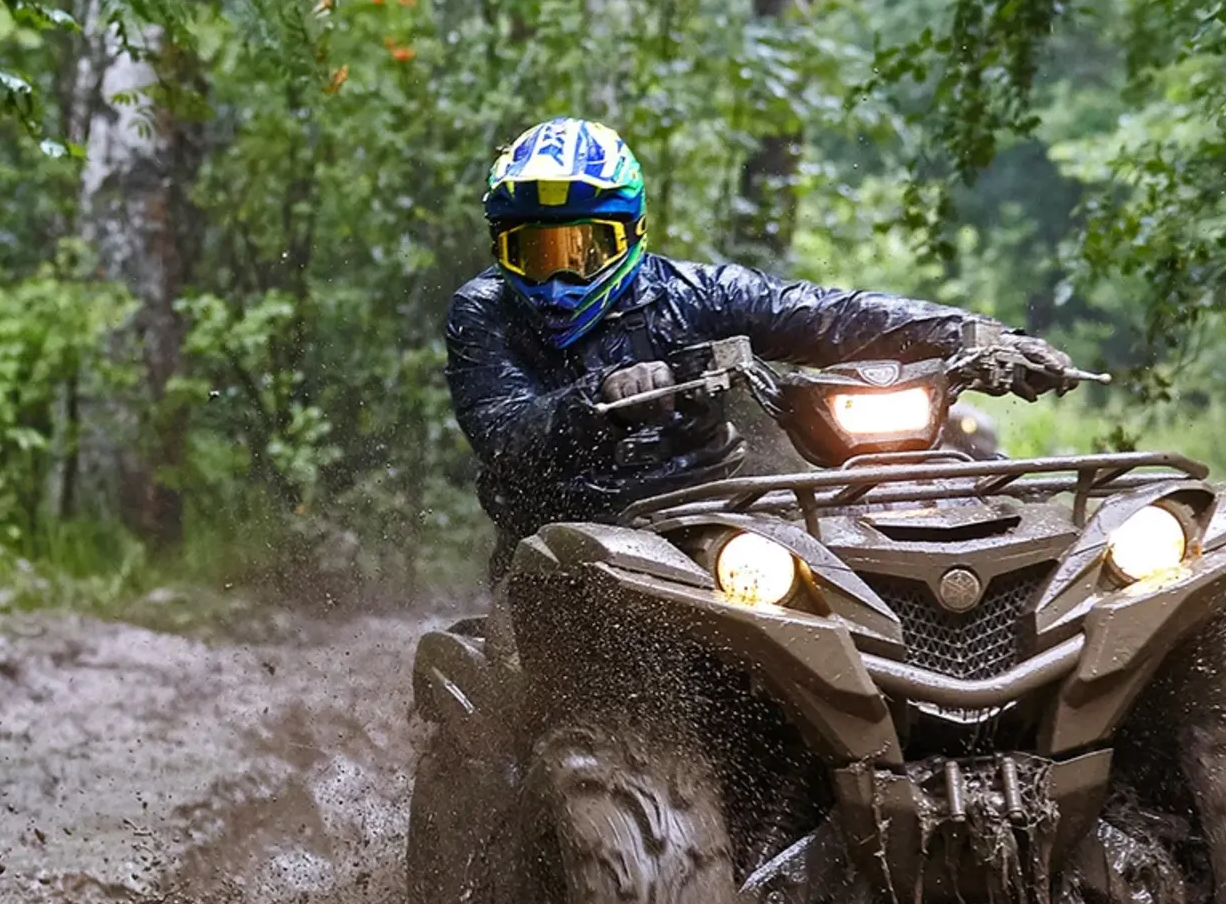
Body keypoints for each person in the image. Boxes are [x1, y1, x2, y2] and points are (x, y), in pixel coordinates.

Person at [446, 117, 1071, 576]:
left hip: (705, 517)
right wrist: (598, 398)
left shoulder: (695, 294)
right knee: (559, 669)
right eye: (532, 251)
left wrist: (977, 336)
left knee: (832, 572)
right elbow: (502, 431)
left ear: (631, 235)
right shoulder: (484, 312)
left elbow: (830, 316)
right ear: (501, 248)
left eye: (584, 249)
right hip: (559, 542)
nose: (558, 277)